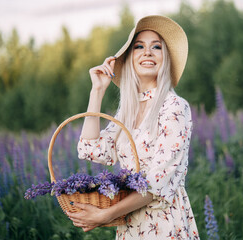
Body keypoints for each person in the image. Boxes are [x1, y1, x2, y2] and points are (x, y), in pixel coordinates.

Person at [67, 15, 200, 239]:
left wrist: (105, 215)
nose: (147, 52)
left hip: (164, 225)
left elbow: (155, 184)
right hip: (130, 226)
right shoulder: (127, 111)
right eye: (139, 46)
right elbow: (91, 149)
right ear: (130, 59)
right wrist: (97, 91)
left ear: (165, 58)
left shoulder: (174, 107)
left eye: (156, 47)